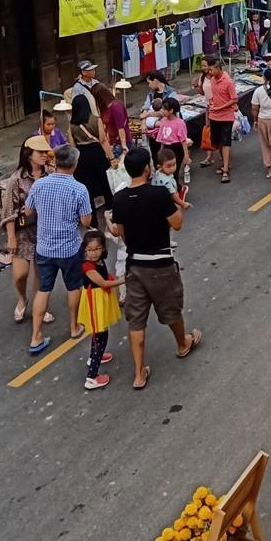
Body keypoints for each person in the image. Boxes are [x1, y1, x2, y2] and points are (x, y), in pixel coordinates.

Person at [111, 147, 201, 390]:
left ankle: (139, 373)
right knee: (171, 308)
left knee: (136, 320)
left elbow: (118, 231)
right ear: (147, 169)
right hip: (160, 262)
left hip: (134, 266)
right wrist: (178, 205)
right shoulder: (159, 194)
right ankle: (183, 344)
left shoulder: (119, 199)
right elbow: (177, 224)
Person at [24, 145, 92, 356]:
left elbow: (28, 211)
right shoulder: (79, 189)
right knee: (73, 286)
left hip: (44, 246)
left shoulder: (39, 185)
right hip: (69, 247)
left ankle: (36, 336)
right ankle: (73, 327)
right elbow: (85, 221)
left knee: (44, 289)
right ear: (74, 164)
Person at [1, 135, 55, 325]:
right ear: (29, 154)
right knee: (20, 274)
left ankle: (40, 307)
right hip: (23, 232)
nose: (44, 155)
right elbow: (8, 211)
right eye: (40, 152)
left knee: (41, 273)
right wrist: (11, 238)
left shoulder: (51, 173)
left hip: (45, 230)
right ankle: (23, 299)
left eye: (45, 152)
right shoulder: (16, 180)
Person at [78, 230, 124, 390]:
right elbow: (103, 284)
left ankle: (93, 358)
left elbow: (104, 278)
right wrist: (123, 280)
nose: (93, 253)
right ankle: (92, 376)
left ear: (103, 248)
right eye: (89, 249)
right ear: (85, 250)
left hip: (100, 301)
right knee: (100, 337)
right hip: (94, 302)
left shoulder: (98, 262)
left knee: (99, 333)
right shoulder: (88, 266)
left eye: (96, 249)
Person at [69, 95, 115, 222]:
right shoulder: (96, 120)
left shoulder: (72, 124)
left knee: (87, 190)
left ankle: (93, 221)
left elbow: (72, 145)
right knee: (106, 186)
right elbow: (103, 140)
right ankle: (111, 215)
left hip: (82, 157)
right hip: (97, 155)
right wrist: (111, 158)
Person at [205, 56, 237, 183]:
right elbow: (214, 95)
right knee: (217, 142)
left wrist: (220, 107)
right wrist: (213, 104)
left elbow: (234, 99)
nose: (209, 72)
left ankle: (225, 170)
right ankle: (224, 162)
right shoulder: (212, 80)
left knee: (225, 142)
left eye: (211, 69)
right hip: (214, 116)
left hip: (226, 116)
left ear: (218, 68)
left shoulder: (228, 82)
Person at [152, 97, 191, 187]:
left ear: (171, 110)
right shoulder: (163, 121)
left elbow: (183, 140)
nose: (162, 111)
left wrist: (186, 155)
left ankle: (175, 187)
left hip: (176, 148)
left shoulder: (180, 123)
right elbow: (161, 137)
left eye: (164, 109)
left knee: (174, 171)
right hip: (166, 147)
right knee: (166, 170)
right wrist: (160, 151)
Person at [92, 83, 131, 159]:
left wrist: (123, 145)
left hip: (120, 143)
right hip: (113, 142)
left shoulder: (116, 106)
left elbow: (121, 127)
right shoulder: (104, 107)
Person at [152, 145, 191, 211]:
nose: (172, 168)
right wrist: (183, 204)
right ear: (159, 166)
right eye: (168, 166)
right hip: (167, 204)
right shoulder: (167, 181)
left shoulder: (158, 173)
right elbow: (173, 195)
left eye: (174, 164)